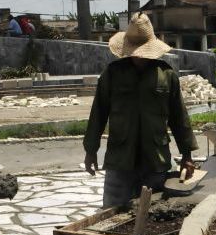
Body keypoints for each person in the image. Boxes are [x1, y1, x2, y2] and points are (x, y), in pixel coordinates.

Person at [83, 12, 197, 208]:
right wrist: (90, 150)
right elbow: (98, 114)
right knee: (113, 210)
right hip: (120, 158)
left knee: (151, 212)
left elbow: (179, 118)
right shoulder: (112, 74)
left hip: (155, 158)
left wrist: (187, 155)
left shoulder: (166, 75)